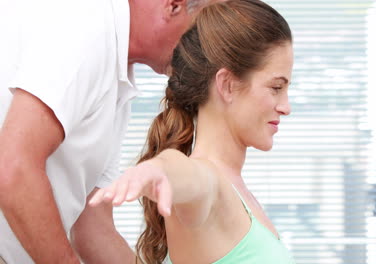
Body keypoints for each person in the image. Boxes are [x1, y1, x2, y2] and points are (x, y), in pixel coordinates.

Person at [0, 0, 217, 263]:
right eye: (202, 32)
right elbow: (13, 167)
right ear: (174, 5)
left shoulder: (116, 78)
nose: (203, 52)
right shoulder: (85, 28)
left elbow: (92, 226)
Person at [90, 0, 296, 263]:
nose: (286, 107)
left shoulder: (238, 193)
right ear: (227, 85)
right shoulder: (212, 184)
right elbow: (189, 175)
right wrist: (160, 169)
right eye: (276, 88)